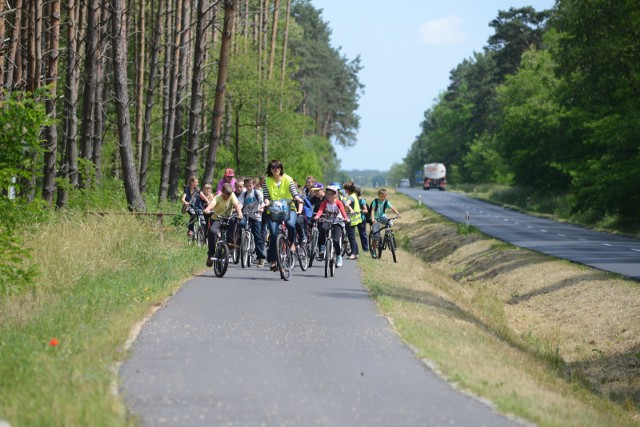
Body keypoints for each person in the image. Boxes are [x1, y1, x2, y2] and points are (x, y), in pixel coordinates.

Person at [262, 159, 304, 271]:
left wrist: (298, 198)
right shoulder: (267, 181)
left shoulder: (288, 179)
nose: (276, 170)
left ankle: (292, 243)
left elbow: (294, 192)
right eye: (273, 168)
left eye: (278, 167)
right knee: (274, 234)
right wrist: (265, 203)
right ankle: (273, 260)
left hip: (288, 207)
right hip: (273, 209)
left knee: (291, 225)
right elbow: (266, 196)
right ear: (270, 170)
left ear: (281, 169)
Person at [204, 183, 243, 267]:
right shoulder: (217, 197)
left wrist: (240, 213)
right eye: (225, 196)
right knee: (212, 231)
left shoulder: (232, 195)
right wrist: (207, 209)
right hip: (216, 218)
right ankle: (210, 254)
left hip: (227, 218)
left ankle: (230, 242)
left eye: (229, 196)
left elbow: (236, 205)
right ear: (222, 192)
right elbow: (212, 204)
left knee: (234, 219)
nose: (227, 198)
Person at [313, 185, 350, 267]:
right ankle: (322, 247)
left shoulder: (338, 203)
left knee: (336, 240)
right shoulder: (324, 203)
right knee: (322, 229)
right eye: (327, 194)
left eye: (331, 194)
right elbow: (320, 210)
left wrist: (346, 218)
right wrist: (318, 216)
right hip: (328, 220)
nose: (329, 196)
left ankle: (338, 256)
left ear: (335, 194)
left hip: (338, 221)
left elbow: (343, 211)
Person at [237, 177, 267, 267]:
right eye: (247, 186)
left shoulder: (258, 193)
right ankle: (241, 242)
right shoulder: (244, 193)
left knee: (257, 236)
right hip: (246, 214)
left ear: (253, 185)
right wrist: (238, 208)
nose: (249, 187)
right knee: (241, 224)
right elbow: (241, 202)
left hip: (256, 216)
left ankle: (260, 258)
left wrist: (261, 208)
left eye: (250, 186)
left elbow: (262, 202)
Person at [370, 188, 401, 253]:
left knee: (390, 222)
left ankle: (387, 234)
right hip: (375, 218)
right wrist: (372, 219)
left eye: (384, 197)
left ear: (386, 196)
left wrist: (398, 214)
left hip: (382, 216)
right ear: (378, 195)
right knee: (376, 235)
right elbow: (372, 211)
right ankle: (373, 249)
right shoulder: (375, 201)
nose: (382, 198)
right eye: (381, 196)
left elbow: (392, 208)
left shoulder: (386, 202)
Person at [343, 182, 361, 260]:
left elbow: (347, 204)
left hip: (352, 220)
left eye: (345, 189)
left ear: (348, 189)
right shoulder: (354, 195)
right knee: (352, 236)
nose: (344, 191)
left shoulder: (351, 197)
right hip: (356, 219)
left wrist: (350, 209)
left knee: (351, 237)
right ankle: (356, 253)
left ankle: (353, 254)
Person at [355, 187, 369, 253]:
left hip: (361, 219)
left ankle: (365, 249)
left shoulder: (362, 200)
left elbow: (366, 210)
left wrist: (360, 210)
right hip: (354, 219)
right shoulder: (352, 200)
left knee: (362, 234)